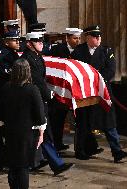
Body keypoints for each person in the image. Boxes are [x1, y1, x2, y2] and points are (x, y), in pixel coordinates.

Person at [71, 25, 127, 162]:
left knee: (109, 123)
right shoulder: (78, 52)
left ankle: (117, 152)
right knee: (83, 123)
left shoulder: (106, 51)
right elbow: (76, 71)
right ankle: (80, 151)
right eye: (95, 36)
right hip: (86, 94)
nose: (98, 38)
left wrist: (95, 80)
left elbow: (110, 70)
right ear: (87, 38)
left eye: (99, 36)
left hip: (102, 92)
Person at [20, 32, 74, 174]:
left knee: (40, 133)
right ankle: (56, 164)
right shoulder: (27, 59)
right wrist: (49, 94)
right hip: (34, 100)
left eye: (41, 40)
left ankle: (33, 162)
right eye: (37, 41)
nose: (41, 43)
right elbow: (37, 80)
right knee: (44, 132)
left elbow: (42, 78)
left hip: (39, 99)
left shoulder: (37, 57)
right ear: (29, 44)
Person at [0, 58, 45, 189]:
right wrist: (41, 133)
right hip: (27, 134)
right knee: (23, 167)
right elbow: (40, 115)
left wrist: (2, 128)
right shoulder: (32, 89)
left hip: (10, 131)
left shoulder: (6, 87)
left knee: (13, 166)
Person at [0, 30, 21, 170]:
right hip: (2, 100)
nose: (18, 42)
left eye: (18, 40)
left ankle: (4, 159)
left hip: (9, 99)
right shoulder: (5, 57)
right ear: (6, 42)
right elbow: (8, 77)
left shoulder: (12, 54)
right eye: (14, 40)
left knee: (7, 132)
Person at [48, 28, 82, 151]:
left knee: (79, 120)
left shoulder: (81, 50)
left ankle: (80, 147)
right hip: (60, 90)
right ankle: (57, 143)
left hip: (75, 90)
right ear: (67, 38)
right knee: (58, 119)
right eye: (75, 38)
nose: (77, 41)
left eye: (79, 38)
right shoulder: (57, 49)